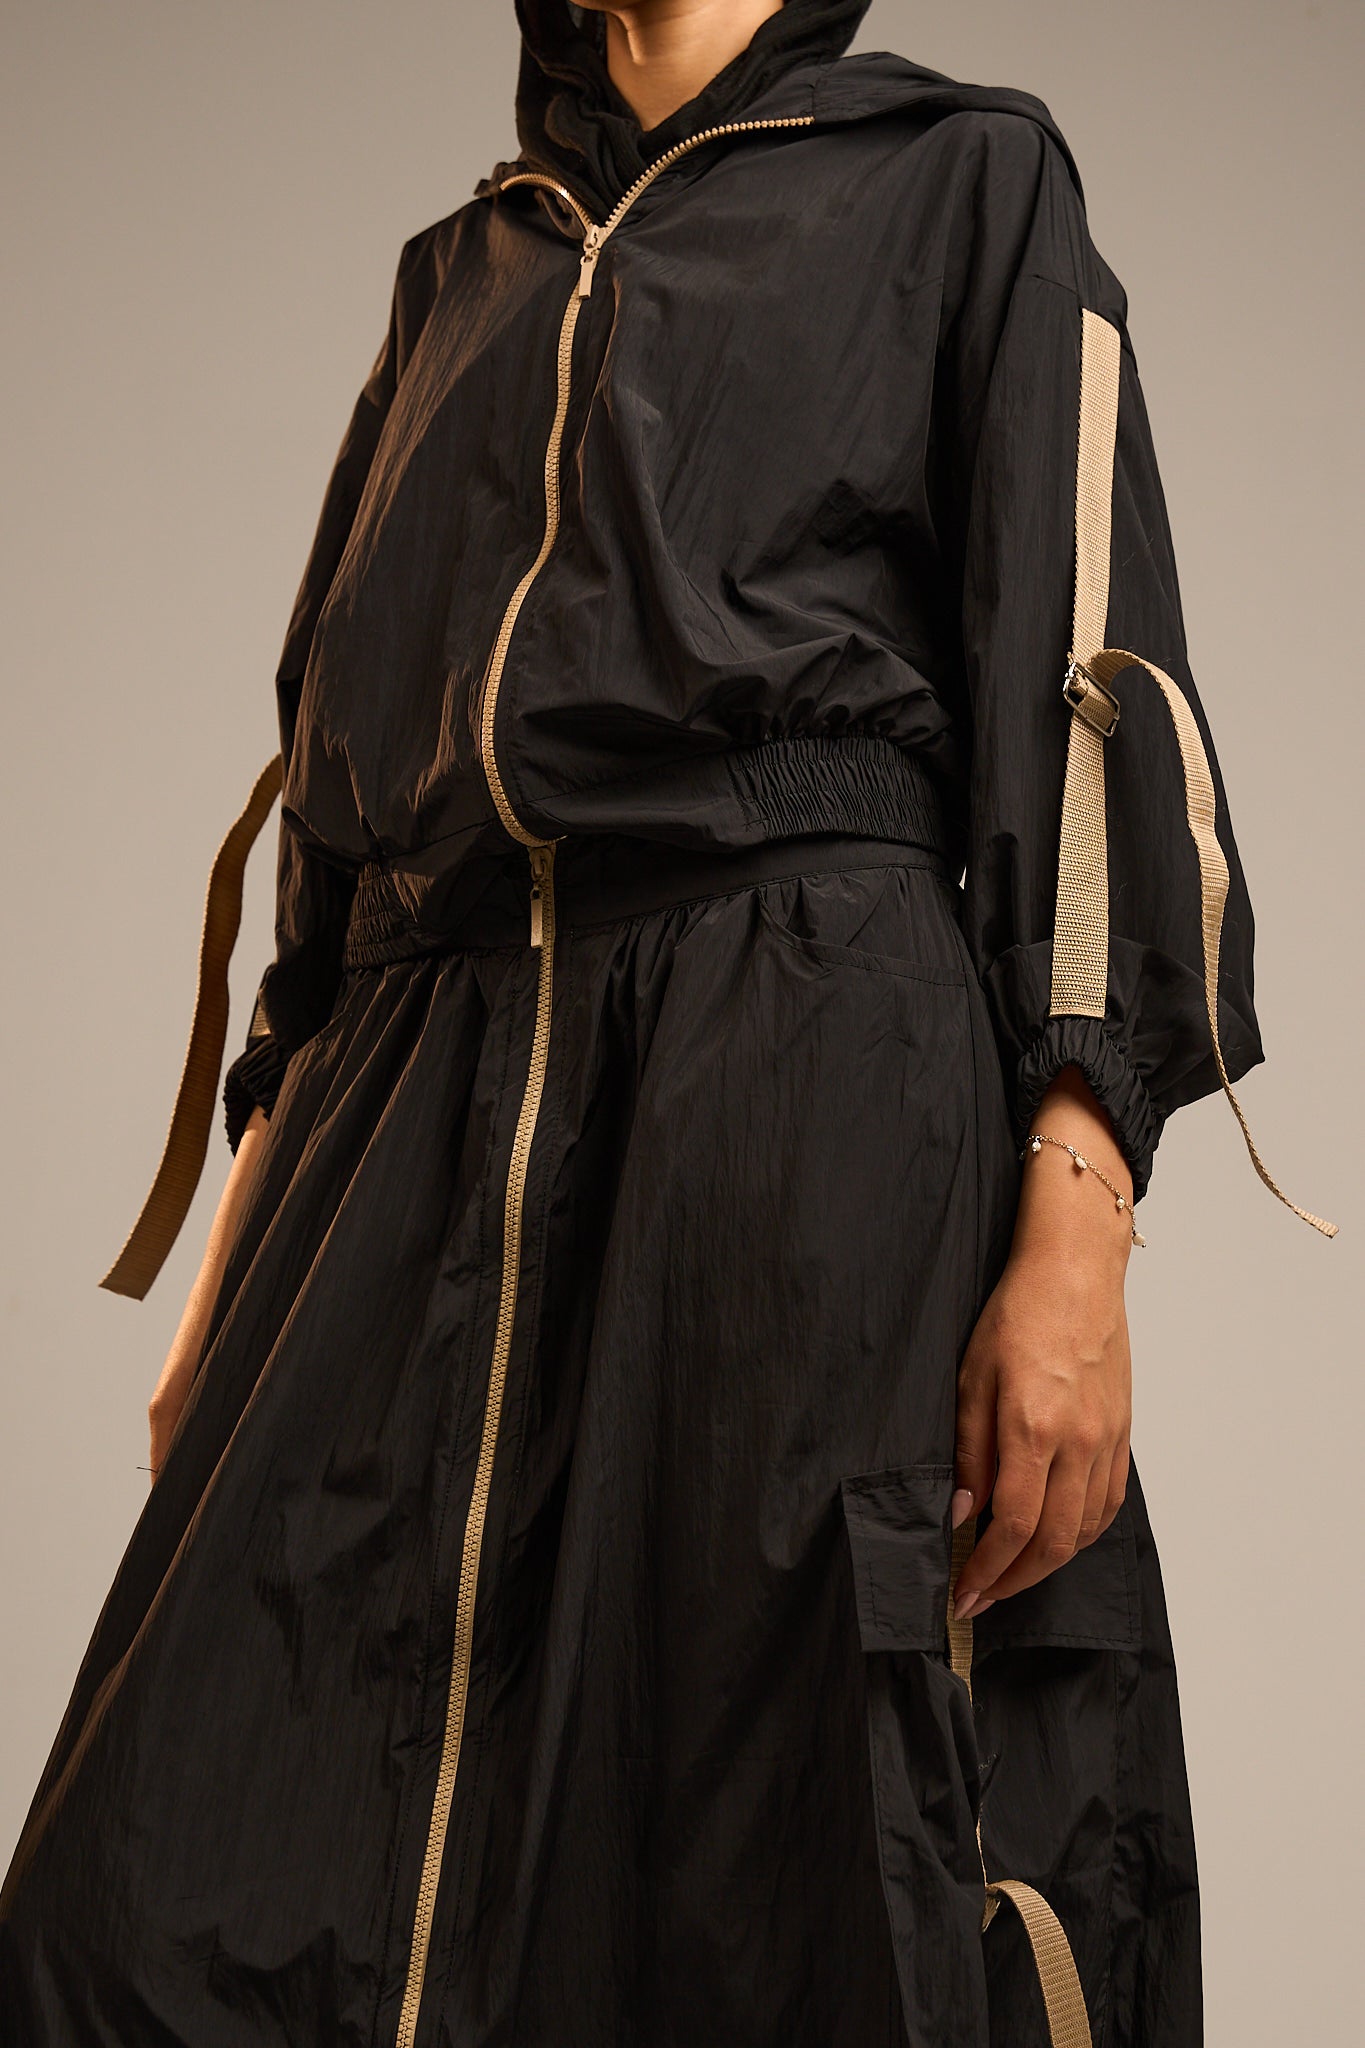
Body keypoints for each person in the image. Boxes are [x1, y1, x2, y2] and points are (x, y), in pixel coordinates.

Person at [0, 3, 1330, 2043]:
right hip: (410, 1110)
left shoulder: (963, 180)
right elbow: (338, 814)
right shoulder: (461, 274)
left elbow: (1079, 675)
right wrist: (240, 1248)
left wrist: (1078, 1215)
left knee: (771, 1878)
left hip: (789, 1088)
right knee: (148, 1902)